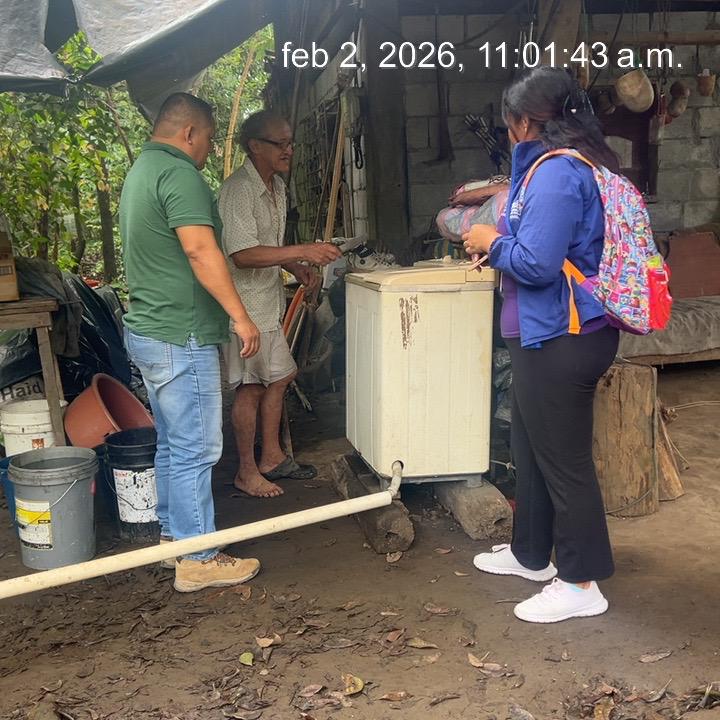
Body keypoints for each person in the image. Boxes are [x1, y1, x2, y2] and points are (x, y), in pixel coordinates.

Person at [463, 67, 620, 623]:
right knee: (530, 447)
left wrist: (491, 241)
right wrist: (499, 245)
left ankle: (580, 582)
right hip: (541, 333)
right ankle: (531, 554)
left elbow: (537, 263)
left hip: (563, 338)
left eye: (509, 122)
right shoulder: (547, 167)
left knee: (564, 462)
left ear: (524, 122)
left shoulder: (556, 173)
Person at [120, 93, 262, 593]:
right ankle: (199, 556)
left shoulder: (142, 171)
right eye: (207, 140)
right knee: (196, 447)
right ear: (190, 133)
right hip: (181, 335)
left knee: (172, 443)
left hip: (151, 330)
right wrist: (241, 317)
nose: (207, 151)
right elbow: (201, 251)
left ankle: (174, 538)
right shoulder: (179, 174)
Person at [219, 111, 341, 498]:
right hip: (245, 309)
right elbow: (242, 254)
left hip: (267, 303)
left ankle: (271, 456)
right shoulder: (238, 191)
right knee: (250, 388)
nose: (289, 150)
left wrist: (296, 267)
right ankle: (246, 470)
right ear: (255, 146)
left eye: (291, 142)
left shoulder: (277, 187)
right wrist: (304, 250)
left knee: (281, 377)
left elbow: (269, 245)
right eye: (281, 143)